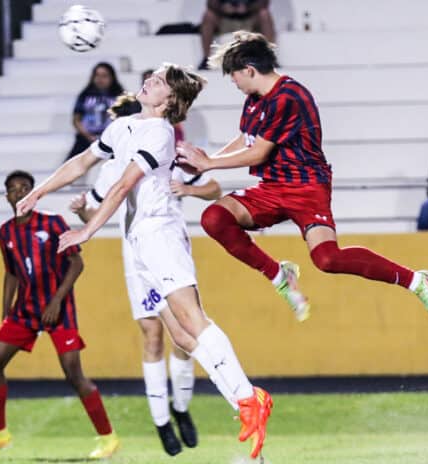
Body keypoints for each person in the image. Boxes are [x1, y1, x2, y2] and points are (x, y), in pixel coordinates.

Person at [16, 63, 273, 460]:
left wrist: (87, 230)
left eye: (158, 82)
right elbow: (82, 162)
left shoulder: (159, 133)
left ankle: (249, 398)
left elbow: (123, 186)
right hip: (138, 240)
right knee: (181, 336)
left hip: (159, 232)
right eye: (151, 78)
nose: (148, 82)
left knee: (192, 319)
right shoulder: (123, 127)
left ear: (170, 100)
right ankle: (244, 401)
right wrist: (39, 193)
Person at [176, 31, 428, 324]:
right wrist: (208, 160)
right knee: (214, 218)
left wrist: (209, 164)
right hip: (273, 187)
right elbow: (247, 139)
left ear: (249, 70)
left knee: (328, 260)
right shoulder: (256, 98)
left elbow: (258, 153)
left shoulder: (288, 97)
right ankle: (279, 274)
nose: (233, 82)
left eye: (234, 75)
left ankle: (416, 281)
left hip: (307, 187)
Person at [68, 95, 222, 456]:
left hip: (168, 247)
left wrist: (189, 189)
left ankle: (181, 408)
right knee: (152, 334)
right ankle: (162, 422)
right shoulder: (110, 171)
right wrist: (81, 214)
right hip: (135, 255)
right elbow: (94, 215)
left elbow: (214, 188)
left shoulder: (165, 148)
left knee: (184, 334)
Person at [0, 171, 119, 459]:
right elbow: (11, 273)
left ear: (34, 193)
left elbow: (76, 263)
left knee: (74, 374)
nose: (19, 192)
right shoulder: (6, 232)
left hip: (59, 310)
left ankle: (107, 438)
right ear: (7, 196)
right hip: (24, 311)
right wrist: (6, 314)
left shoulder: (52, 223)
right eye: (13, 189)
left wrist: (57, 301)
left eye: (25, 188)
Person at [67, 62, 125, 160]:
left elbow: (125, 120)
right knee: (70, 163)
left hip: (112, 138)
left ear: (112, 77)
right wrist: (89, 136)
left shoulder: (120, 97)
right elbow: (76, 119)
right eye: (97, 75)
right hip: (86, 137)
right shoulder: (85, 95)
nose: (100, 79)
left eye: (104, 76)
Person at [198, 1, 275, 70]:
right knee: (208, 15)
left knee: (264, 14)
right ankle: (207, 59)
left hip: (249, 19)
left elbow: (264, 3)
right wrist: (223, 8)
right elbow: (210, 3)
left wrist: (248, 8)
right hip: (225, 20)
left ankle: (269, 57)